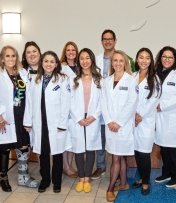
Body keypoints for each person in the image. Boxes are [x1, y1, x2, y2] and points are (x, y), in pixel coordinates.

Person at [0, 45, 39, 192]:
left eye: (13, 56)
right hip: (5, 116)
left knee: (23, 144)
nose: (11, 58)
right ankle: (3, 178)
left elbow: (28, 94)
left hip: (21, 115)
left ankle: (22, 176)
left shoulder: (22, 72)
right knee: (4, 147)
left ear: (17, 58)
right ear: (2, 58)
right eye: (7, 56)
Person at [23, 51, 71, 193]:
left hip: (56, 124)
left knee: (57, 154)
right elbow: (30, 102)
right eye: (46, 61)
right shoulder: (35, 79)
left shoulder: (63, 79)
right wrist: (27, 122)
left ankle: (57, 181)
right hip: (40, 122)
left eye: (52, 61)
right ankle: (45, 180)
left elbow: (66, 102)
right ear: (41, 63)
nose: (49, 64)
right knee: (43, 153)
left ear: (56, 64)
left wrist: (63, 123)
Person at [102, 50, 138, 202]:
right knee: (119, 156)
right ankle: (123, 184)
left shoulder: (131, 81)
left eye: (120, 60)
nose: (117, 63)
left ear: (125, 63)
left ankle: (110, 188)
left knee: (116, 157)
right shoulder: (106, 81)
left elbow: (132, 104)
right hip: (111, 126)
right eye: (115, 60)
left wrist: (119, 123)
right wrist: (110, 121)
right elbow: (103, 102)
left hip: (123, 126)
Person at [154, 46, 176, 188]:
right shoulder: (156, 74)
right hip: (160, 117)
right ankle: (166, 172)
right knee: (164, 147)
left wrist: (163, 105)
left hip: (174, 116)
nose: (167, 59)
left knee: (174, 149)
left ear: (175, 59)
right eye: (164, 56)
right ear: (160, 58)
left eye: (170, 57)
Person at [69, 48, 102, 193]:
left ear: (92, 60)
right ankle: (81, 178)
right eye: (82, 58)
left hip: (92, 117)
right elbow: (69, 101)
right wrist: (78, 118)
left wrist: (94, 116)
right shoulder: (74, 79)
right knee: (78, 149)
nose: (84, 61)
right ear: (79, 61)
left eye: (87, 58)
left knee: (90, 149)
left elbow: (103, 101)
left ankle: (87, 178)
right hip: (78, 118)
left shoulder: (99, 79)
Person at [132, 48, 161, 195]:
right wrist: (132, 115)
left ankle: (145, 182)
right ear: (137, 60)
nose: (144, 60)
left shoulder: (154, 78)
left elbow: (154, 100)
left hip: (145, 121)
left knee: (144, 153)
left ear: (151, 61)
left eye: (147, 58)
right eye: (141, 57)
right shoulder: (132, 76)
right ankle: (142, 177)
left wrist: (140, 115)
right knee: (137, 152)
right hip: (133, 121)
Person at [92, 29, 117, 180]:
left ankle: (118, 168)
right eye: (105, 39)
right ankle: (101, 166)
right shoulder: (96, 59)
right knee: (100, 138)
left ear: (115, 41)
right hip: (100, 103)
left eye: (110, 39)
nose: (107, 41)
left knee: (116, 139)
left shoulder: (121, 58)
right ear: (101, 41)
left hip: (116, 106)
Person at [60, 41, 79, 178]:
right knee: (65, 139)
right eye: (68, 50)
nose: (71, 52)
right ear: (64, 52)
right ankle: (65, 166)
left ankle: (70, 165)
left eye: (73, 50)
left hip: (78, 109)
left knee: (73, 140)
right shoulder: (61, 68)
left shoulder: (80, 67)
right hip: (65, 110)